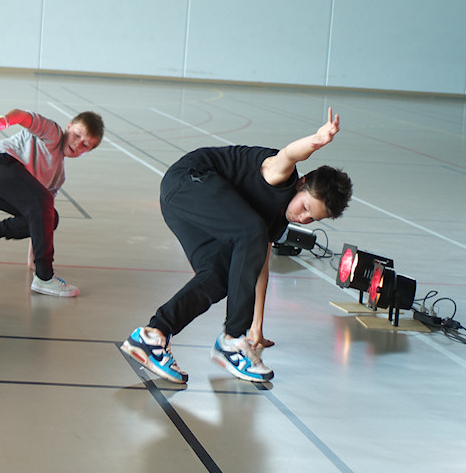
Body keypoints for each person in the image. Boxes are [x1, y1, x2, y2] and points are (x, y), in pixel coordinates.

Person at [121, 110, 352, 385]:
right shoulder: (281, 176)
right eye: (305, 207)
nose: (303, 218)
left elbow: (257, 267)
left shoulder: (274, 222)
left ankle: (153, 335)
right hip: (189, 181)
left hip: (185, 208)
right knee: (251, 231)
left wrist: (257, 327)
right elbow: (289, 154)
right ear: (301, 184)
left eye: (311, 219)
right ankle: (231, 341)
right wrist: (317, 140)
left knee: (218, 277)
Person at [0, 109, 103, 297]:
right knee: (43, 204)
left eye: (85, 145)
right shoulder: (52, 133)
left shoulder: (58, 176)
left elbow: (41, 217)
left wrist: (33, 260)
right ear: (69, 127)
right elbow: (24, 117)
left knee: (51, 217)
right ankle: (45, 277)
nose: (77, 144)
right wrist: (4, 121)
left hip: (0, 192)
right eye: (76, 135)